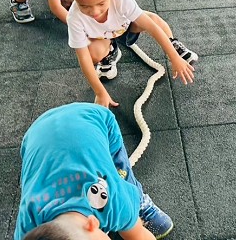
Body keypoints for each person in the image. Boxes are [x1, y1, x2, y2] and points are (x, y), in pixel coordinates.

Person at [14, 102, 174, 240]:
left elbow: (138, 236)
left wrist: (131, 221)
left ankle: (140, 204)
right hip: (35, 135)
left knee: (121, 173)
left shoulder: (115, 199)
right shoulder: (26, 225)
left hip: (92, 119)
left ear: (92, 223)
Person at [66, 0, 198, 109]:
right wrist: (100, 92)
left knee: (152, 20)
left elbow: (152, 28)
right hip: (103, 38)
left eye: (101, 3)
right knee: (92, 54)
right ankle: (111, 53)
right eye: (84, 6)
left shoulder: (122, 1)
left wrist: (173, 57)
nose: (94, 11)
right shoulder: (74, 17)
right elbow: (83, 58)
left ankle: (173, 44)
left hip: (127, 27)